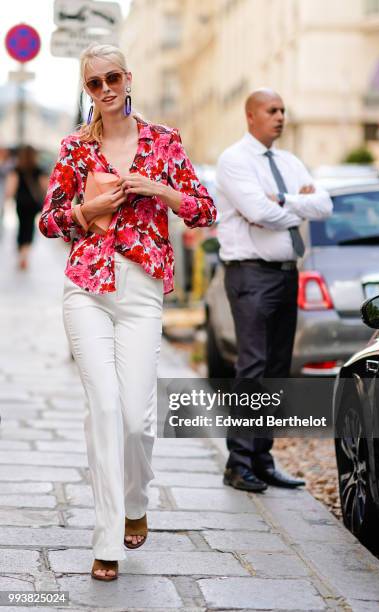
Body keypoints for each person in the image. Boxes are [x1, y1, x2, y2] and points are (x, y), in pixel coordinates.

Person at [39, 43, 216, 581]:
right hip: (86, 288)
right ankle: (107, 538)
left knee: (137, 420)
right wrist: (85, 210)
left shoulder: (164, 142)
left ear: (128, 77)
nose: (105, 89)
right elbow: (49, 220)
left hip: (141, 292)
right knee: (105, 409)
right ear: (86, 90)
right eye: (93, 83)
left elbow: (204, 209)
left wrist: (157, 189)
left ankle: (137, 500)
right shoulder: (74, 148)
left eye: (112, 78)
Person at [215, 88, 332, 492]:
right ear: (251, 116)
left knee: (278, 371)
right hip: (250, 274)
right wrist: (292, 208)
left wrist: (282, 200)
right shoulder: (234, 160)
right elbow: (257, 211)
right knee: (252, 368)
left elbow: (325, 205)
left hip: (285, 273)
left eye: (282, 109)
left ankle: (263, 459)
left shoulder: (289, 161)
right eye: (272, 110)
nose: (280, 116)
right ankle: (239, 462)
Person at [5, 145, 48, 269]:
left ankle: (21, 251)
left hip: (20, 203)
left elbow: (11, 188)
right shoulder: (39, 169)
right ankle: (25, 253)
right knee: (29, 227)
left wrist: (7, 199)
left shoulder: (17, 169)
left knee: (21, 226)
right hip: (33, 204)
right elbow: (46, 187)